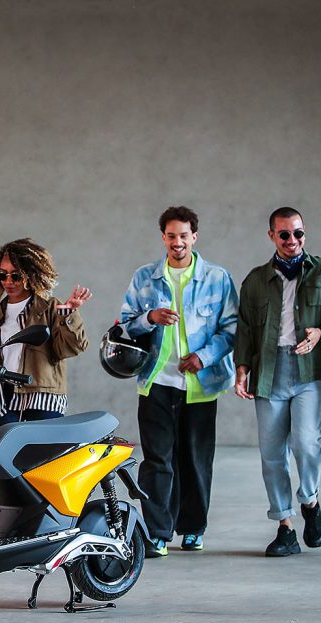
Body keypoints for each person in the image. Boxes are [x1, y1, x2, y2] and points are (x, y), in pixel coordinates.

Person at [118, 206, 238, 557]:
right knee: (157, 460)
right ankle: (157, 532)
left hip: (201, 385)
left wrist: (204, 357)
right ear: (163, 238)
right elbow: (125, 324)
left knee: (196, 461)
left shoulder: (217, 278)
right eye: (171, 236)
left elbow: (232, 328)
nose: (177, 242)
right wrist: (150, 318)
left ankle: (193, 528)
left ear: (194, 237)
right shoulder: (145, 278)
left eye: (184, 235)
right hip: (156, 381)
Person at [234, 207, 321, 557]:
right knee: (272, 453)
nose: (293, 240)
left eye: (298, 233)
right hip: (269, 371)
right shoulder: (256, 280)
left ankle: (310, 501)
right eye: (284, 234)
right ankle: (285, 526)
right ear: (272, 236)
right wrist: (241, 368)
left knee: (306, 444)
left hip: (308, 370)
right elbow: (245, 327)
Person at [0, 238, 90, 434]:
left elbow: (71, 347)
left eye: (16, 276)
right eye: (2, 275)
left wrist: (68, 314)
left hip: (42, 396)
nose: (8, 281)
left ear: (31, 274)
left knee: (41, 452)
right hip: (3, 397)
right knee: (2, 451)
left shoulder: (50, 309)